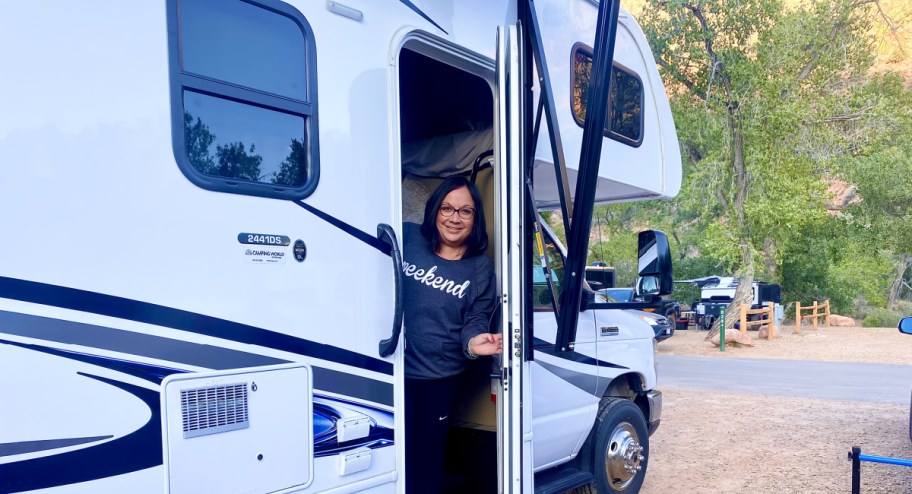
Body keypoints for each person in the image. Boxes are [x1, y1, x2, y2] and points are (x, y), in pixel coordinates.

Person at [402, 175, 503, 494]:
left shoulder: (479, 269)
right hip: (390, 370)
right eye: (447, 208)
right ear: (434, 211)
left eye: (465, 211)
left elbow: (475, 320)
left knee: (426, 459)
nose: (454, 218)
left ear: (476, 218)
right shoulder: (407, 237)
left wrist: (475, 343)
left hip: (439, 378)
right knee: (390, 452)